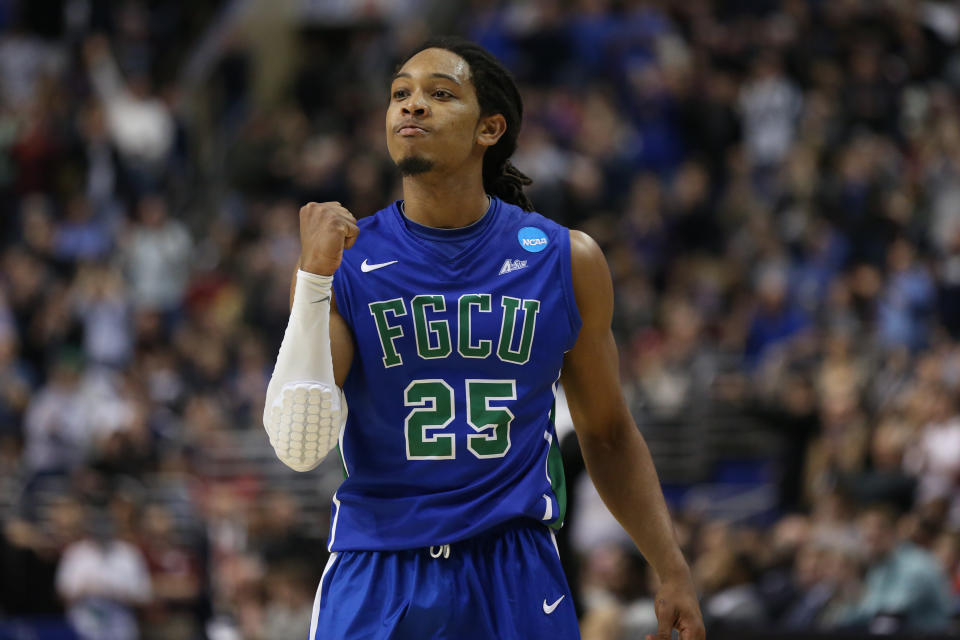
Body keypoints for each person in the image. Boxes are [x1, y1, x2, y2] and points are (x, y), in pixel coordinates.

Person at [263, 36, 704, 640]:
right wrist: (311, 280)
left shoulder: (564, 259)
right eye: (400, 94)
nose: (411, 106)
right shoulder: (346, 259)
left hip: (514, 566)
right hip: (379, 564)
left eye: (439, 94)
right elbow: (297, 445)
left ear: (489, 129)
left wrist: (671, 567)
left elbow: (607, 431)